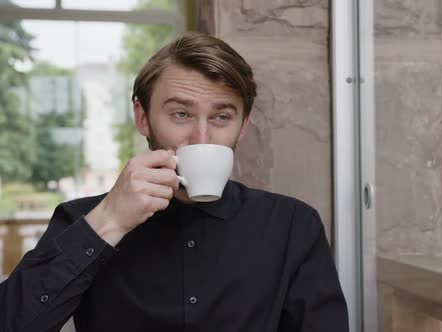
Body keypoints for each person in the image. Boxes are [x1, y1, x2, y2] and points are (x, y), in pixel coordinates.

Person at [0, 32, 349, 332]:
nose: (201, 137)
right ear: (143, 118)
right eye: (181, 114)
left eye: (221, 116)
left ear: (242, 127)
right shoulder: (83, 220)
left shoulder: (292, 226)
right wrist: (107, 222)